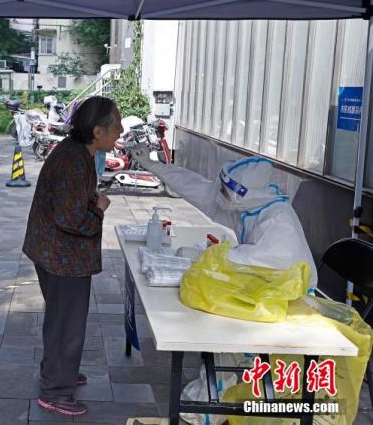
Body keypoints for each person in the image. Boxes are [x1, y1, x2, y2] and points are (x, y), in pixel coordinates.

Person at [23, 96, 122, 417]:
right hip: (62, 257)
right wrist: (99, 208)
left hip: (54, 251)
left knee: (61, 320)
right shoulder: (73, 160)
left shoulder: (78, 153)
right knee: (66, 325)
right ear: (97, 131)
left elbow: (69, 203)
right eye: (116, 125)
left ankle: (58, 372)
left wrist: (89, 201)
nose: (120, 130)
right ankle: (55, 390)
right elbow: (71, 219)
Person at [135, 151, 318, 288]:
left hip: (294, 295)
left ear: (243, 195)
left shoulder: (278, 218)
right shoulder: (247, 207)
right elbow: (198, 189)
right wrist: (154, 166)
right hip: (268, 287)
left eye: (224, 192)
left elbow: (262, 261)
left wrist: (208, 255)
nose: (219, 195)